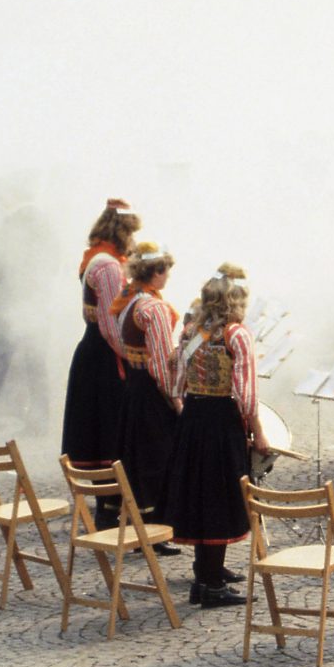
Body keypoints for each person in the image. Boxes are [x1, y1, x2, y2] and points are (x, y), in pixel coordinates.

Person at [164, 263, 257, 609]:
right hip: (221, 420)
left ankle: (204, 577)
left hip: (193, 418)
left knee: (200, 496)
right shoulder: (237, 335)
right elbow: (246, 395)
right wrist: (257, 432)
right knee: (219, 497)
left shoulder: (191, 332)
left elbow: (177, 384)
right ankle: (212, 583)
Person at [0, 176, 54, 440]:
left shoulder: (11, 222)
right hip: (35, 304)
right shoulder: (44, 221)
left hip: (8, 305)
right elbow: (56, 260)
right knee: (36, 364)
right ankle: (40, 422)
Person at [60, 197, 139, 469]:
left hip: (94, 349)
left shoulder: (94, 258)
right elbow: (109, 324)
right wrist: (129, 357)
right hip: (105, 355)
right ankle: (111, 503)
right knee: (109, 431)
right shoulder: (107, 266)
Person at [113, 241, 181, 530]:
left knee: (137, 457)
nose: (167, 277)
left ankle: (138, 520)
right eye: (166, 271)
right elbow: (161, 362)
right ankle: (155, 527)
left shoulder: (128, 301)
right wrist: (176, 399)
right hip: (151, 392)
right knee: (158, 457)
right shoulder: (154, 309)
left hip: (133, 386)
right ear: (157, 272)